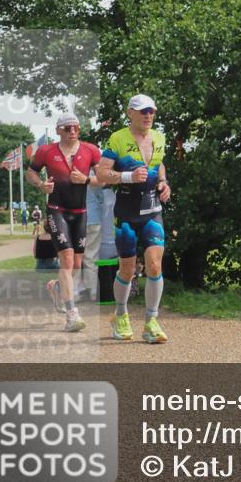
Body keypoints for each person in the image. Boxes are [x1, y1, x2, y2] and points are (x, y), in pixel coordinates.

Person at [96, 94, 171, 344]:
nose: (148, 115)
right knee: (127, 269)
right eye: (142, 111)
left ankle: (151, 321)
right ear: (130, 113)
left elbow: (159, 165)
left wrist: (163, 182)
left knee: (154, 265)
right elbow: (102, 174)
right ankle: (120, 314)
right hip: (126, 214)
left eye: (151, 111)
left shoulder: (159, 137)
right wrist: (128, 177)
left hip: (152, 211)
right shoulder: (118, 138)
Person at [27, 113, 101, 333]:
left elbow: (103, 178)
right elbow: (31, 172)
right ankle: (71, 315)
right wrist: (41, 184)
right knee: (67, 260)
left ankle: (57, 287)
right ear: (58, 130)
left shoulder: (91, 150)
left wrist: (86, 179)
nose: (72, 131)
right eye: (67, 128)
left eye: (75, 128)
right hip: (57, 209)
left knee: (76, 265)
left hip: (80, 211)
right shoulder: (46, 151)